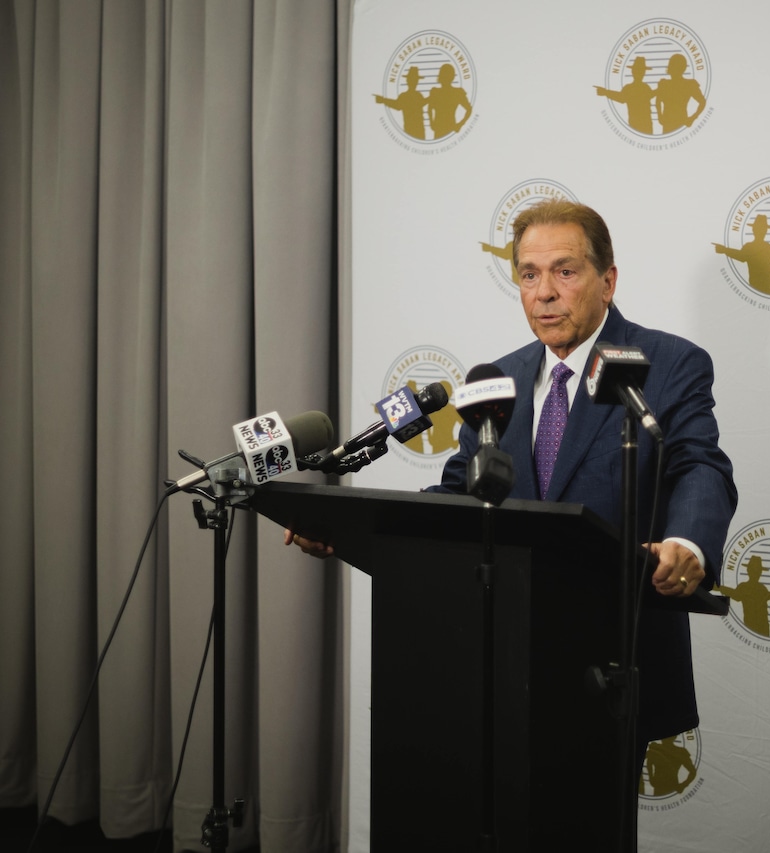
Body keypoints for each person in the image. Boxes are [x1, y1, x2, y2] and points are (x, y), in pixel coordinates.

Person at [291, 200, 738, 749]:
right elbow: (461, 491)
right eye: (529, 275)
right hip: (500, 651)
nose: (543, 292)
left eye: (564, 271)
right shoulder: (499, 378)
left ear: (607, 281)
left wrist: (687, 543)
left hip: (613, 655)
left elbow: (700, 464)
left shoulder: (666, 363)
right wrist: (351, 527)